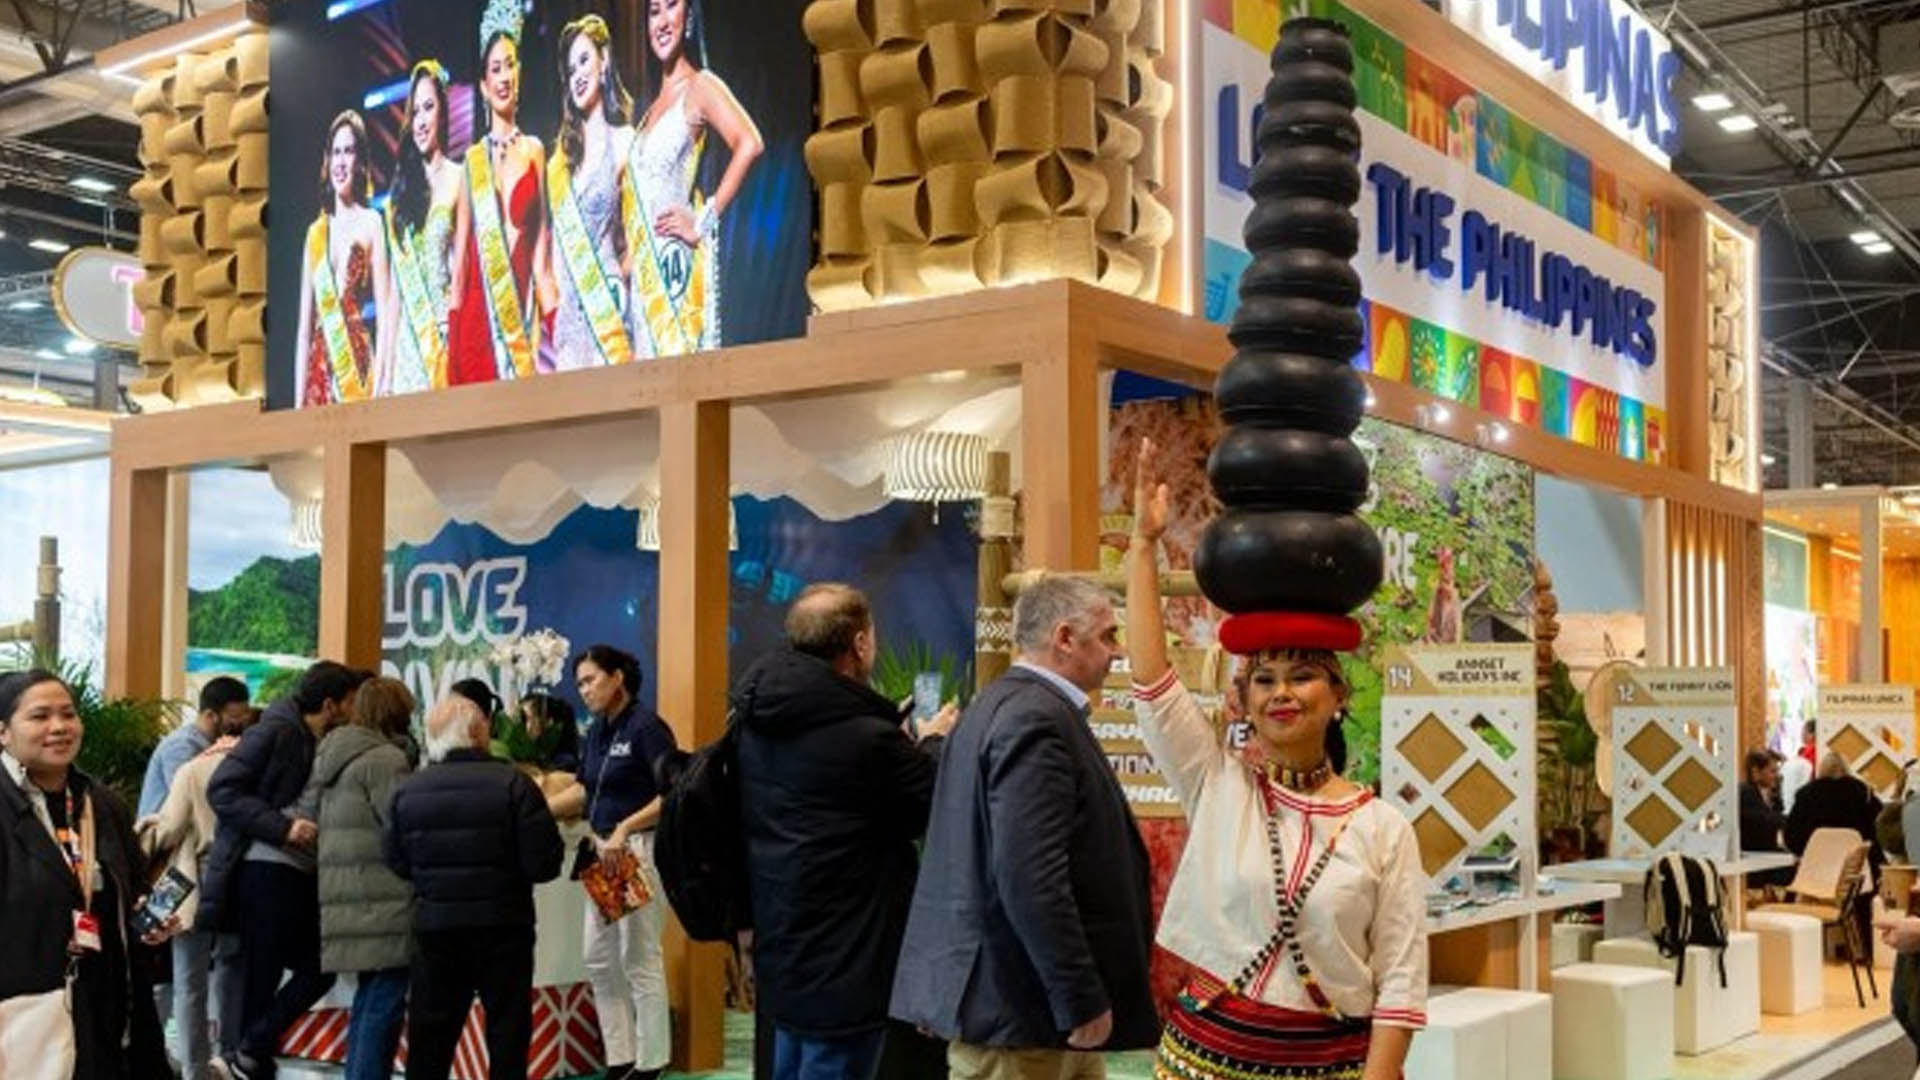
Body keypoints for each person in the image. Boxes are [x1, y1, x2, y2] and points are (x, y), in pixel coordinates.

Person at [1125, 442, 1426, 1080]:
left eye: (1302, 676)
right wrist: (1143, 546)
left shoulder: (1383, 830)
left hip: (1328, 1065)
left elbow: (1400, 982)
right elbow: (1151, 681)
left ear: (1338, 696)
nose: (1281, 693)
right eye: (1264, 680)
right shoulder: (1219, 786)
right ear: (1245, 700)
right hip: (1203, 1061)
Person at [891, 575, 1160, 1078]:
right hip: (1023, 1016)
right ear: (1064, 638)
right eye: (1107, 635)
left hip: (1026, 1015)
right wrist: (1078, 996)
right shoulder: (1035, 719)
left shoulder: (997, 707)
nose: (1118, 651)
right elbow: (1030, 875)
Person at [737, 584, 957, 1080]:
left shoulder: (757, 719)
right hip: (850, 951)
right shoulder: (866, 736)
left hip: (782, 936)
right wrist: (933, 743)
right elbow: (925, 805)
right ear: (859, 643)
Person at [0, 669, 173, 1079]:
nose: (59, 727)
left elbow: (131, 885)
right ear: (3, 731)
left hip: (106, 1007)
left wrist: (146, 917)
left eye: (68, 714)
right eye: (40, 716)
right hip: (25, 1017)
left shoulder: (102, 804)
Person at [385, 694, 564, 1080]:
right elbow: (544, 863)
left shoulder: (407, 791)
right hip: (505, 926)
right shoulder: (514, 784)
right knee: (507, 1030)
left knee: (430, 1037)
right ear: (478, 733)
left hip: (435, 927)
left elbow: (396, 861)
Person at [207, 661, 371, 1080]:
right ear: (331, 704)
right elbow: (223, 789)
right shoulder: (276, 731)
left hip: (296, 871)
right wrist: (283, 828)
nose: (356, 711)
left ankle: (248, 1053)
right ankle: (247, 1056)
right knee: (267, 975)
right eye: (352, 702)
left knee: (311, 967)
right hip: (267, 868)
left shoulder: (314, 737)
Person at [546, 645, 679, 1078]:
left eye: (591, 679)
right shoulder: (598, 731)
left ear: (618, 677)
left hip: (634, 850)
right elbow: (585, 788)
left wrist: (625, 827)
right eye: (579, 683)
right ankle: (620, 1057)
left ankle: (651, 1061)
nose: (584, 690)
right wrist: (538, 806)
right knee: (599, 959)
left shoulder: (646, 728)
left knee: (639, 957)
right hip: (603, 854)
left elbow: (673, 792)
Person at [625, 0, 762, 357]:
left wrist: (702, 221)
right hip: (644, 284)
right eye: (653, 11)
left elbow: (749, 144)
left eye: (671, 6)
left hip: (675, 275)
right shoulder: (649, 110)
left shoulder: (700, 86)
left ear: (688, 17)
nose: (661, 21)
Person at [140, 694, 260, 1079]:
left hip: (194, 880)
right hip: (242, 878)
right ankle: (227, 1059)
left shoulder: (193, 769)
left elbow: (170, 828)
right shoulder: (260, 768)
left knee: (188, 980)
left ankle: (194, 1068)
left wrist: (145, 829)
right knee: (231, 971)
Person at [310, 677, 417, 1080]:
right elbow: (401, 826)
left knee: (369, 999)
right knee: (385, 1003)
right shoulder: (386, 761)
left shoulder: (335, 756)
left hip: (348, 894)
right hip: (385, 897)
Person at [449, 0, 553, 385]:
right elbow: (460, 266)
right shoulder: (472, 162)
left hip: (519, 328)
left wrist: (558, 325)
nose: (504, 77)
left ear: (520, 71)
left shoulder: (535, 151)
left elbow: (541, 259)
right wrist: (452, 355)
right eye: (495, 69)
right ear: (483, 85)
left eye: (510, 65)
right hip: (475, 328)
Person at [549, 14, 637, 369]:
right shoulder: (560, 160)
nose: (578, 75)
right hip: (569, 322)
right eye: (571, 70)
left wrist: (619, 278)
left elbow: (640, 233)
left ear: (604, 62)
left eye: (584, 60)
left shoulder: (625, 142)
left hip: (608, 311)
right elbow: (556, 249)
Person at [294, 109, 390, 407]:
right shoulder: (315, 234)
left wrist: (382, 385)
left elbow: (385, 313)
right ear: (327, 160)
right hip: (319, 373)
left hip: (357, 370)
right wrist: (297, 406)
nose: (341, 162)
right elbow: (304, 331)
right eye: (336, 152)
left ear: (359, 161)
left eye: (348, 151)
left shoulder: (372, 222)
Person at [379, 59, 462, 395]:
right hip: (407, 349)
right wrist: (385, 376)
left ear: (442, 112)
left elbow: (463, 271)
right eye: (415, 112)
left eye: (429, 108)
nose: (422, 122)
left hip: (444, 340)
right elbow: (395, 295)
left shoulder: (460, 178)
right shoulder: (399, 197)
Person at [141, 677, 252, 818]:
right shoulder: (181, 746)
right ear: (211, 715)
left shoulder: (214, 743)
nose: (243, 721)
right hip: (164, 828)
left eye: (246, 714)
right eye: (235, 717)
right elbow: (188, 797)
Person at [1741, 749, 1794, 889]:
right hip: (1752, 856)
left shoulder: (1770, 792)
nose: (1777, 776)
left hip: (1767, 851)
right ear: (1756, 772)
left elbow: (1777, 817)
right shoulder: (1745, 793)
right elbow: (1767, 820)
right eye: (1772, 771)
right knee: (1795, 867)